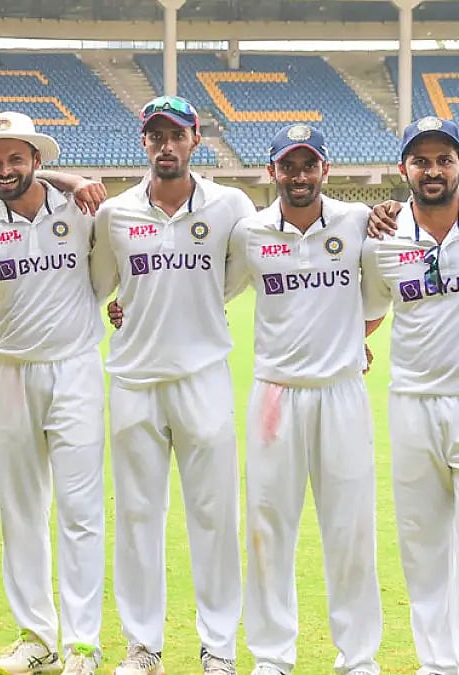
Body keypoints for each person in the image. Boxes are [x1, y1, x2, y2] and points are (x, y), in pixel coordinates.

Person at [88, 95, 255, 675]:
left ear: (195, 137)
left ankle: (218, 648)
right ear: (144, 143)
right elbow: (102, 285)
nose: (166, 145)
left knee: (214, 517)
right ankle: (144, 647)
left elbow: (233, 276)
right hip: (133, 379)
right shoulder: (116, 213)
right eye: (155, 135)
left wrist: (195, 308)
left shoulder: (230, 204)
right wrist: (130, 308)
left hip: (203, 376)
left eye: (175, 134)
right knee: (137, 517)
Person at [0, 112, 114, 675]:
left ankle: (82, 644)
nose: (4, 170)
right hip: (11, 372)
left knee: (80, 511)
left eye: (15, 159)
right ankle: (37, 638)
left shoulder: (78, 208)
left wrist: (73, 182)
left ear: (36, 162)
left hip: (74, 368)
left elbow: (108, 273)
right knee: (21, 511)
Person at [227, 124, 381, 675]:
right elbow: (210, 289)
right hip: (275, 395)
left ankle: (358, 657)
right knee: (268, 529)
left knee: (352, 528)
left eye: (307, 164)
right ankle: (271, 657)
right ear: (273, 172)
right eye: (288, 166)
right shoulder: (249, 233)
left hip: (341, 394)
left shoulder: (358, 222)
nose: (298, 176)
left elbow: (379, 293)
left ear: (325, 169)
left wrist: (346, 342)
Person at [361, 115, 459, 675]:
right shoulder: (386, 236)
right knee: (422, 541)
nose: (433, 170)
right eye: (421, 161)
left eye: (444, 159)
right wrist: (351, 344)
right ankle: (436, 663)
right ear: (405, 169)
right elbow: (370, 311)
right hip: (413, 402)